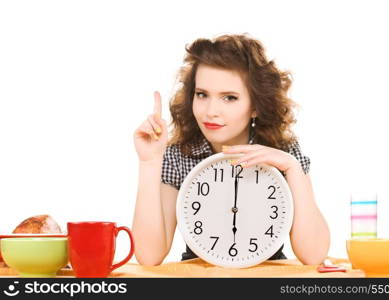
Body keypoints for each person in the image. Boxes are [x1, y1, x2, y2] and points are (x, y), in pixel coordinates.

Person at [132, 34, 330, 266]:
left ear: (255, 106)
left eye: (229, 98)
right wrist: (149, 162)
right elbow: (149, 256)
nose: (211, 111)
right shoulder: (179, 154)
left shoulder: (282, 151)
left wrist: (293, 169)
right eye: (202, 94)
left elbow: (314, 255)